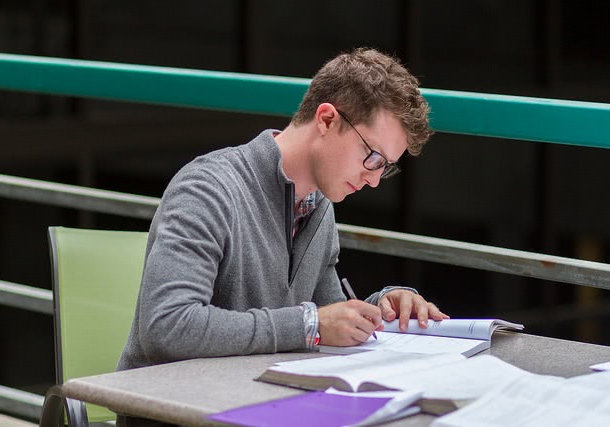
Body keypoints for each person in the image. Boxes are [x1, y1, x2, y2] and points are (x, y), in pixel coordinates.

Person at [116, 47, 448, 426]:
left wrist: (385, 306)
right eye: (372, 157)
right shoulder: (206, 188)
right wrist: (308, 326)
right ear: (326, 119)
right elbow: (167, 327)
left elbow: (327, 314)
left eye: (385, 168)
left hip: (256, 407)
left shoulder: (318, 205)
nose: (373, 179)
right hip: (175, 415)